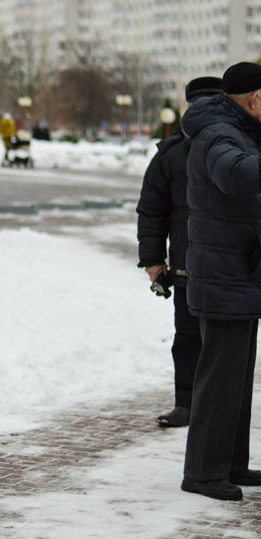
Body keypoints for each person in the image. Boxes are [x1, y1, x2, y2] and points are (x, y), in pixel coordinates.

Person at [180, 61, 261, 501]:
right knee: (219, 377)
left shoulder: (237, 129)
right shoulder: (217, 133)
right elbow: (236, 174)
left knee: (237, 376)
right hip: (223, 272)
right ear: (254, 99)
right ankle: (202, 472)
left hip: (239, 270)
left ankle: (230, 463)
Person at [136, 76, 223, 428]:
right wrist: (154, 259)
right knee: (187, 338)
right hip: (187, 266)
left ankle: (221, 406)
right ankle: (186, 403)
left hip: (234, 268)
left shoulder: (242, 147)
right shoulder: (171, 155)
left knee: (226, 344)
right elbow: (152, 209)